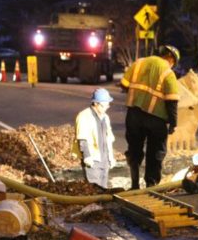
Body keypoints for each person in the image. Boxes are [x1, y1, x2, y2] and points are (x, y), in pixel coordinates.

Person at [120, 45, 180, 189]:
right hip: (156, 119)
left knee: (134, 148)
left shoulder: (139, 63)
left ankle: (134, 184)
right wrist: (173, 123)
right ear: (171, 59)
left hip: (134, 114)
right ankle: (151, 185)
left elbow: (123, 85)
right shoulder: (168, 72)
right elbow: (172, 101)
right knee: (156, 152)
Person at [72, 88, 116, 189]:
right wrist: (87, 156)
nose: (107, 107)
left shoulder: (105, 117)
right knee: (94, 190)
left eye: (108, 104)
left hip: (104, 160)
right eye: (104, 105)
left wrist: (111, 157)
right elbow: (82, 139)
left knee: (104, 189)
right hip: (93, 160)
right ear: (96, 103)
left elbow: (108, 138)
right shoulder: (84, 116)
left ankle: (102, 205)